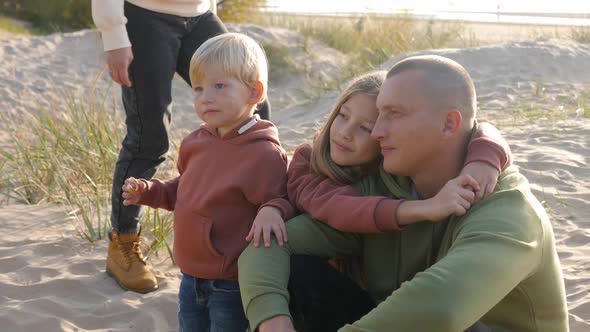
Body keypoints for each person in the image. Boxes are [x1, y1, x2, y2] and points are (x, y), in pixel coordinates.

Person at [238, 55, 569, 331]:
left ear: (449, 124)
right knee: (299, 272)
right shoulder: (380, 189)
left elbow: (443, 308)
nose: (378, 132)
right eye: (378, 116)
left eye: (393, 115)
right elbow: (268, 245)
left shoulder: (509, 210)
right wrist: (272, 320)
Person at [278, 71, 512, 332]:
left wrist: (485, 157)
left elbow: (479, 127)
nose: (345, 132)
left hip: (382, 299)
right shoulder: (307, 162)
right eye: (342, 116)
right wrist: (420, 209)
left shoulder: (386, 169)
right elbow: (339, 208)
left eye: (366, 127)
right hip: (323, 293)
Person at [91, 0, 272, 293]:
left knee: (254, 107)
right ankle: (122, 244)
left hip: (200, 16)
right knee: (149, 138)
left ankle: (251, 224)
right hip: (143, 14)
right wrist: (113, 34)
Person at [120, 32, 292, 331]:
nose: (205, 97)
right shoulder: (195, 143)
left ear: (254, 92)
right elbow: (184, 189)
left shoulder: (263, 153)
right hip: (189, 274)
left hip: (233, 283)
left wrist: (272, 209)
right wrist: (150, 191)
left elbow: (283, 199)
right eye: (198, 88)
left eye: (219, 86)